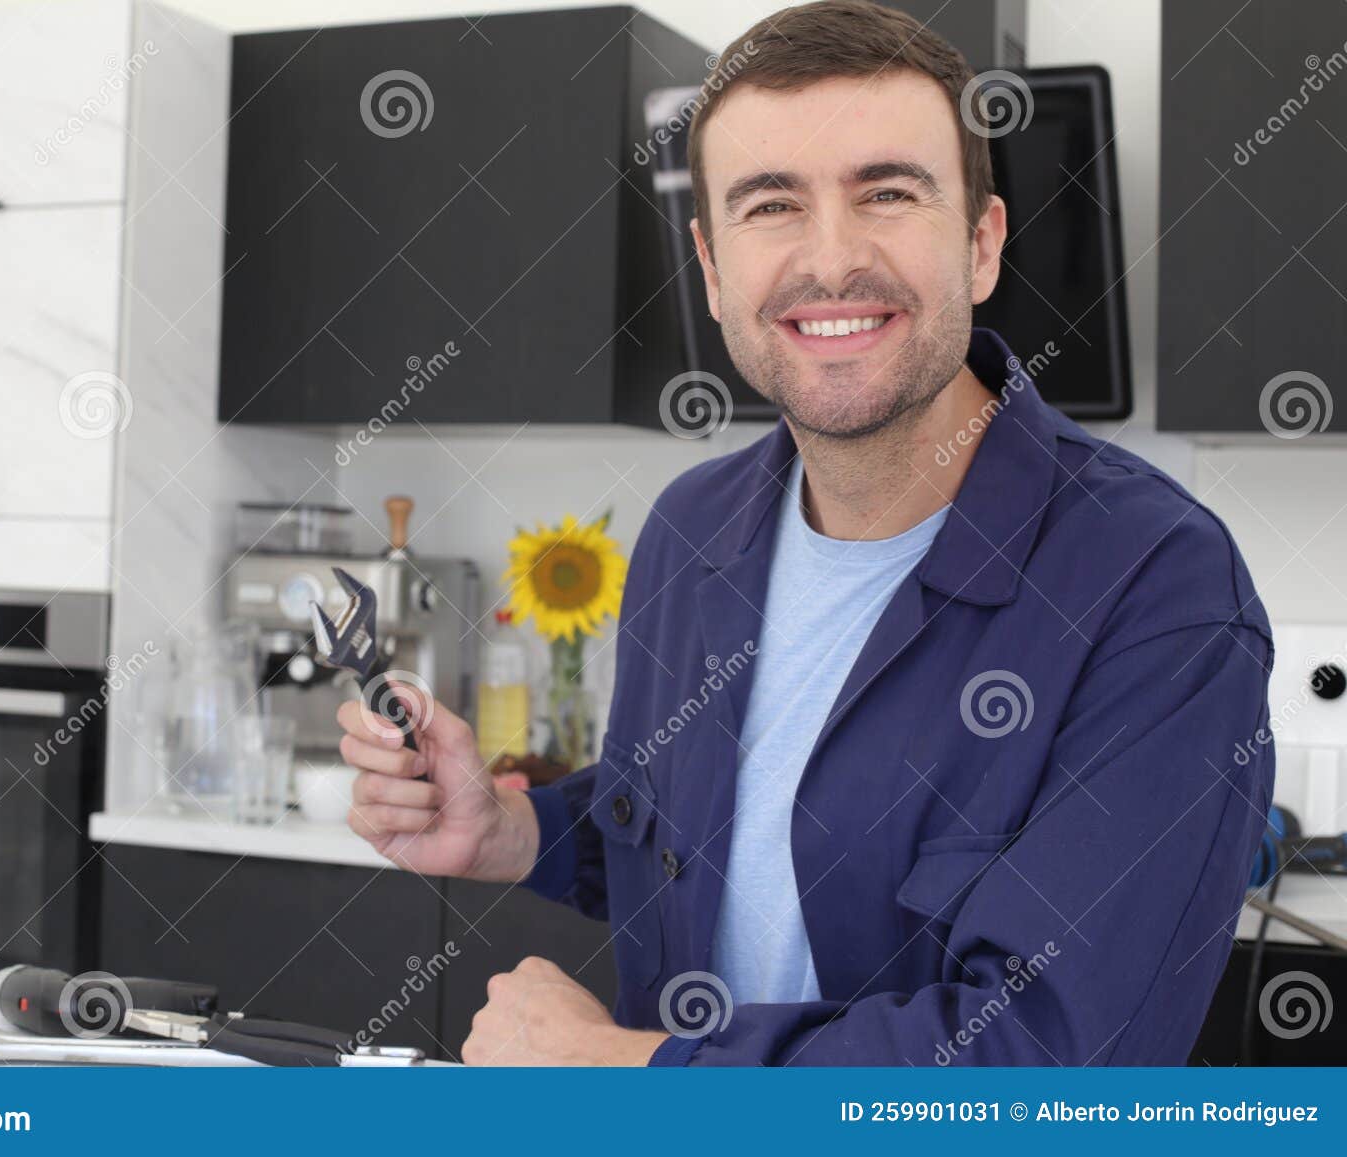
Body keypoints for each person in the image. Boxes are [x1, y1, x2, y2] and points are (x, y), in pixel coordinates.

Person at [335, 0, 1274, 1066]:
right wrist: (518, 831)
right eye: (771, 204)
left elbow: (1046, 1064)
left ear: (979, 243)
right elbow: (700, 825)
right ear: (712, 268)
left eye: (885, 192)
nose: (830, 260)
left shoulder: (1155, 585)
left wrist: (619, 1066)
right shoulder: (690, 534)